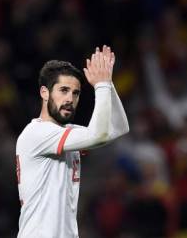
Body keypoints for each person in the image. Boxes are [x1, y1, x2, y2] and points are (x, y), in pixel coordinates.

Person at [15, 45, 129, 238]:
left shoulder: (67, 132)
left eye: (75, 93)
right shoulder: (37, 133)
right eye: (64, 90)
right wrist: (100, 86)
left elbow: (118, 128)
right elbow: (98, 135)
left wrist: (108, 84)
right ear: (44, 92)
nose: (69, 98)